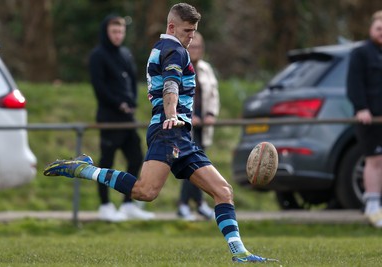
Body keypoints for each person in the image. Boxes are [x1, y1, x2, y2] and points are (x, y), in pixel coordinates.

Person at [44, 3, 276, 263]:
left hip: (181, 136)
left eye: (194, 31)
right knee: (145, 191)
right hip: (169, 131)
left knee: (223, 191)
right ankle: (85, 169)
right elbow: (170, 85)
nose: (191, 36)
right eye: (187, 30)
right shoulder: (174, 50)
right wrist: (172, 114)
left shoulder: (163, 48)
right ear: (171, 27)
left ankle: (240, 253)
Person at [88, 14, 154, 221]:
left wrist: (131, 102)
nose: (118, 36)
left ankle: (127, 204)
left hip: (128, 119)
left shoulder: (126, 53)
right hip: (109, 118)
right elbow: (100, 87)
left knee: (136, 158)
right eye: (114, 31)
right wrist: (119, 104)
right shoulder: (97, 56)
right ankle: (105, 205)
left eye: (121, 32)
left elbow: (133, 81)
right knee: (106, 162)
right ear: (106, 32)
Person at [177, 32, 219, 221]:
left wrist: (210, 114)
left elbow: (213, 95)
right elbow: (173, 95)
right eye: (193, 47)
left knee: (200, 166)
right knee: (191, 166)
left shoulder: (206, 69)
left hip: (203, 127)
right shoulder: (178, 67)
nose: (196, 50)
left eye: (199, 47)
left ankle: (199, 203)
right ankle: (184, 205)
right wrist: (188, 116)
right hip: (185, 126)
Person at [347, 10, 382, 228]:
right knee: (374, 160)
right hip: (371, 119)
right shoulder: (361, 53)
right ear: (371, 28)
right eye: (379, 29)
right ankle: (372, 206)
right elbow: (354, 83)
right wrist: (361, 108)